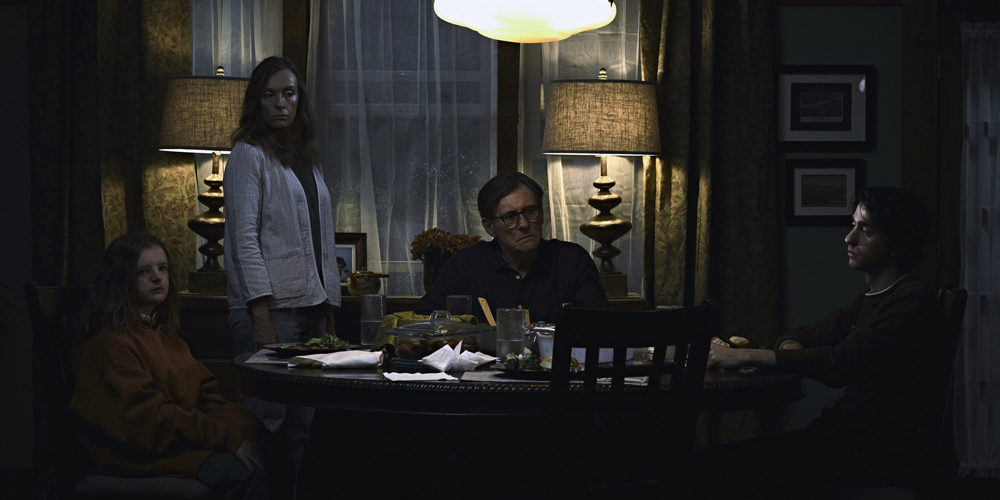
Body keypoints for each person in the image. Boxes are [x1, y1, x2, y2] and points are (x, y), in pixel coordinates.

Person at [694, 186, 944, 498]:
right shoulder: (869, 300)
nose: (849, 238)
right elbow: (801, 336)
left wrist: (744, 356)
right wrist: (791, 352)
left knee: (707, 469)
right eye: (852, 225)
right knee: (706, 465)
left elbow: (840, 364)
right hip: (841, 438)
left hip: (871, 453)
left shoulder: (911, 302)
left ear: (897, 242)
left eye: (865, 230)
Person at [71, 232, 267, 498]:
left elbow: (206, 396)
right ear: (120, 279)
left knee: (269, 446)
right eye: (143, 271)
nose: (157, 277)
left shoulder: (165, 335)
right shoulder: (111, 343)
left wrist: (244, 431)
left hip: (174, 441)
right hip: (136, 453)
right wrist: (228, 440)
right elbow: (150, 419)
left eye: (162, 268)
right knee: (243, 471)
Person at [224, 56, 340, 496]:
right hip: (273, 311)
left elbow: (320, 241)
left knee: (300, 431)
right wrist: (260, 315)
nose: (280, 103)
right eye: (269, 95)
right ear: (257, 102)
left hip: (311, 310)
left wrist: (328, 306)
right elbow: (244, 239)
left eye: (288, 93)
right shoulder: (248, 154)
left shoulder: (306, 158)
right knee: (266, 424)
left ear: (298, 99)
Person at [417, 172, 608, 322]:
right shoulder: (466, 264)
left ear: (541, 214)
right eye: (510, 217)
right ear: (489, 227)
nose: (524, 224)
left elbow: (599, 327)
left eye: (530, 211)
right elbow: (425, 320)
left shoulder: (572, 261)